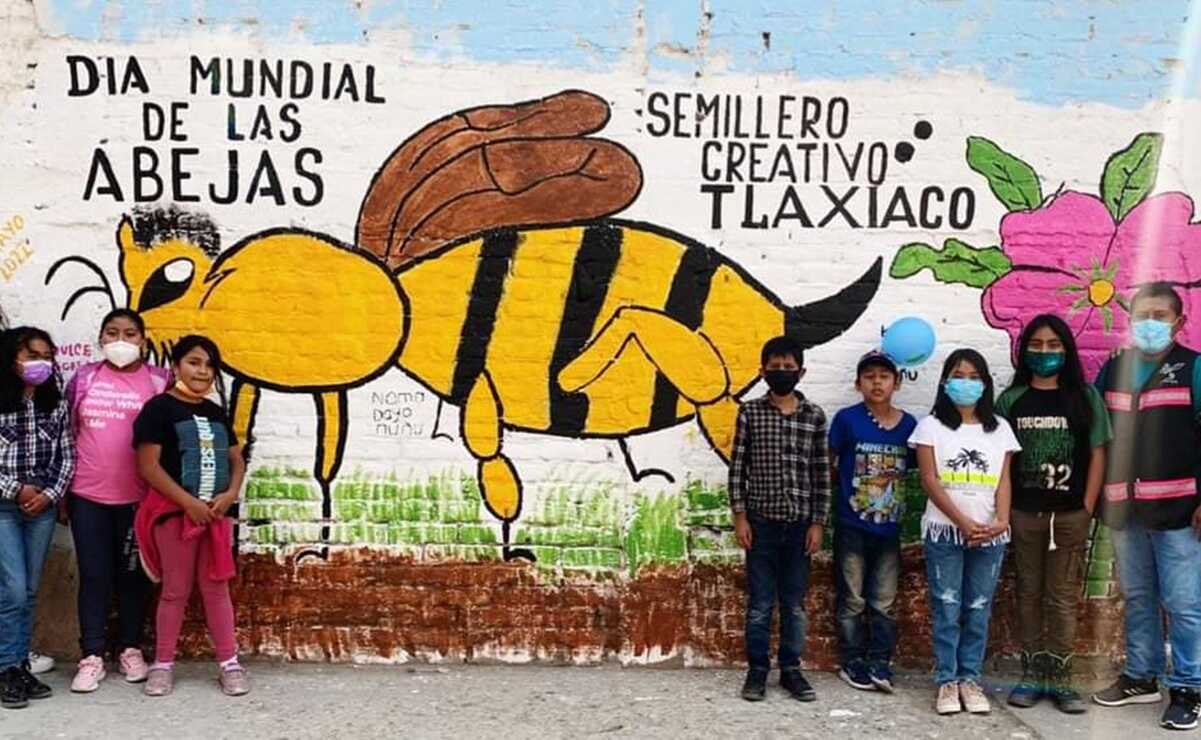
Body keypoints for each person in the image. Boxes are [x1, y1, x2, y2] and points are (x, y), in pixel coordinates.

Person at [1092, 283, 1201, 731]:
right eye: (1142, 316)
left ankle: (1189, 686)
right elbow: (1097, 434)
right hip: (1124, 508)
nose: (1149, 324)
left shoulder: (1193, 368)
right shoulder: (1115, 368)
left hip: (1179, 509)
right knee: (1138, 595)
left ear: (1179, 322)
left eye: (1160, 315)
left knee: (1183, 602)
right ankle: (1141, 676)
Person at [996, 314, 1110, 714]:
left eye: (1053, 345)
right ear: (1025, 350)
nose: (1044, 352)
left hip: (1069, 515)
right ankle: (1031, 674)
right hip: (1026, 514)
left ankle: (1061, 678)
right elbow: (1001, 460)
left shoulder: (1085, 397)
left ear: (1066, 350)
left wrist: (1087, 506)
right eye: (1037, 345)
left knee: (1062, 597)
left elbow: (1098, 453)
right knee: (1028, 593)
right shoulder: (1011, 400)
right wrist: (1005, 511)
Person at [132, 335, 248, 697]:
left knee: (217, 590)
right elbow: (148, 467)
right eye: (194, 362)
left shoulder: (216, 412)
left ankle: (230, 664)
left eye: (210, 365)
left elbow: (236, 460)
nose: (203, 371)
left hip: (214, 517)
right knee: (174, 591)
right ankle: (162, 666)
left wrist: (230, 494)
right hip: (173, 516)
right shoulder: (158, 409)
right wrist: (188, 503)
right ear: (176, 365)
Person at [65, 309, 171, 692]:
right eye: (112, 332)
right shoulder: (84, 379)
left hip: (139, 501)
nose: (121, 340)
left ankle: (130, 647)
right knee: (94, 575)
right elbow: (68, 433)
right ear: (100, 338)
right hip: (87, 495)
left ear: (143, 339)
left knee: (133, 577)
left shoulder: (159, 381)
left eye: (130, 333)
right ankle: (91, 655)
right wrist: (63, 494)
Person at [910, 348, 1019, 716]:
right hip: (946, 532)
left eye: (975, 377)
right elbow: (929, 479)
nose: (966, 383)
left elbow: (1004, 479)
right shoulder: (930, 427)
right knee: (947, 606)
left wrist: (1002, 520)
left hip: (990, 534)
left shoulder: (1000, 428)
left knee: (978, 607)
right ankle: (947, 681)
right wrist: (961, 521)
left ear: (985, 384)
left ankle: (970, 678)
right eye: (959, 375)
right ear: (945, 381)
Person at [729, 335, 830, 703]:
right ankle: (757, 670)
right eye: (775, 368)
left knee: (794, 603)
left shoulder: (814, 416)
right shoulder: (750, 413)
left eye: (789, 368)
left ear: (801, 372)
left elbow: (821, 472)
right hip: (761, 525)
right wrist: (740, 517)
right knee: (759, 602)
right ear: (762, 372)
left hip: (800, 526)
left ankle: (791, 669)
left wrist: (818, 522)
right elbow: (738, 468)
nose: (782, 373)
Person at [827, 351, 916, 693]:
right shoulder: (847, 420)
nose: (877, 382)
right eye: (869, 376)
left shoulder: (909, 425)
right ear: (858, 383)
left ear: (896, 383)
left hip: (889, 529)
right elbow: (829, 465)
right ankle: (853, 661)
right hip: (852, 525)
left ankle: (880, 661)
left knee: (884, 601)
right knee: (852, 598)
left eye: (884, 376)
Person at [0, 327, 75, 709]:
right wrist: (17, 490)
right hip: (4, 508)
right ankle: (6, 667)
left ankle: (17, 665)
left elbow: (67, 456)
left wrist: (48, 494)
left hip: (41, 509)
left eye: (46, 356)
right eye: (32, 355)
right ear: (12, 358)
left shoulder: (55, 404)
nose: (39, 364)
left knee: (28, 590)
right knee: (12, 590)